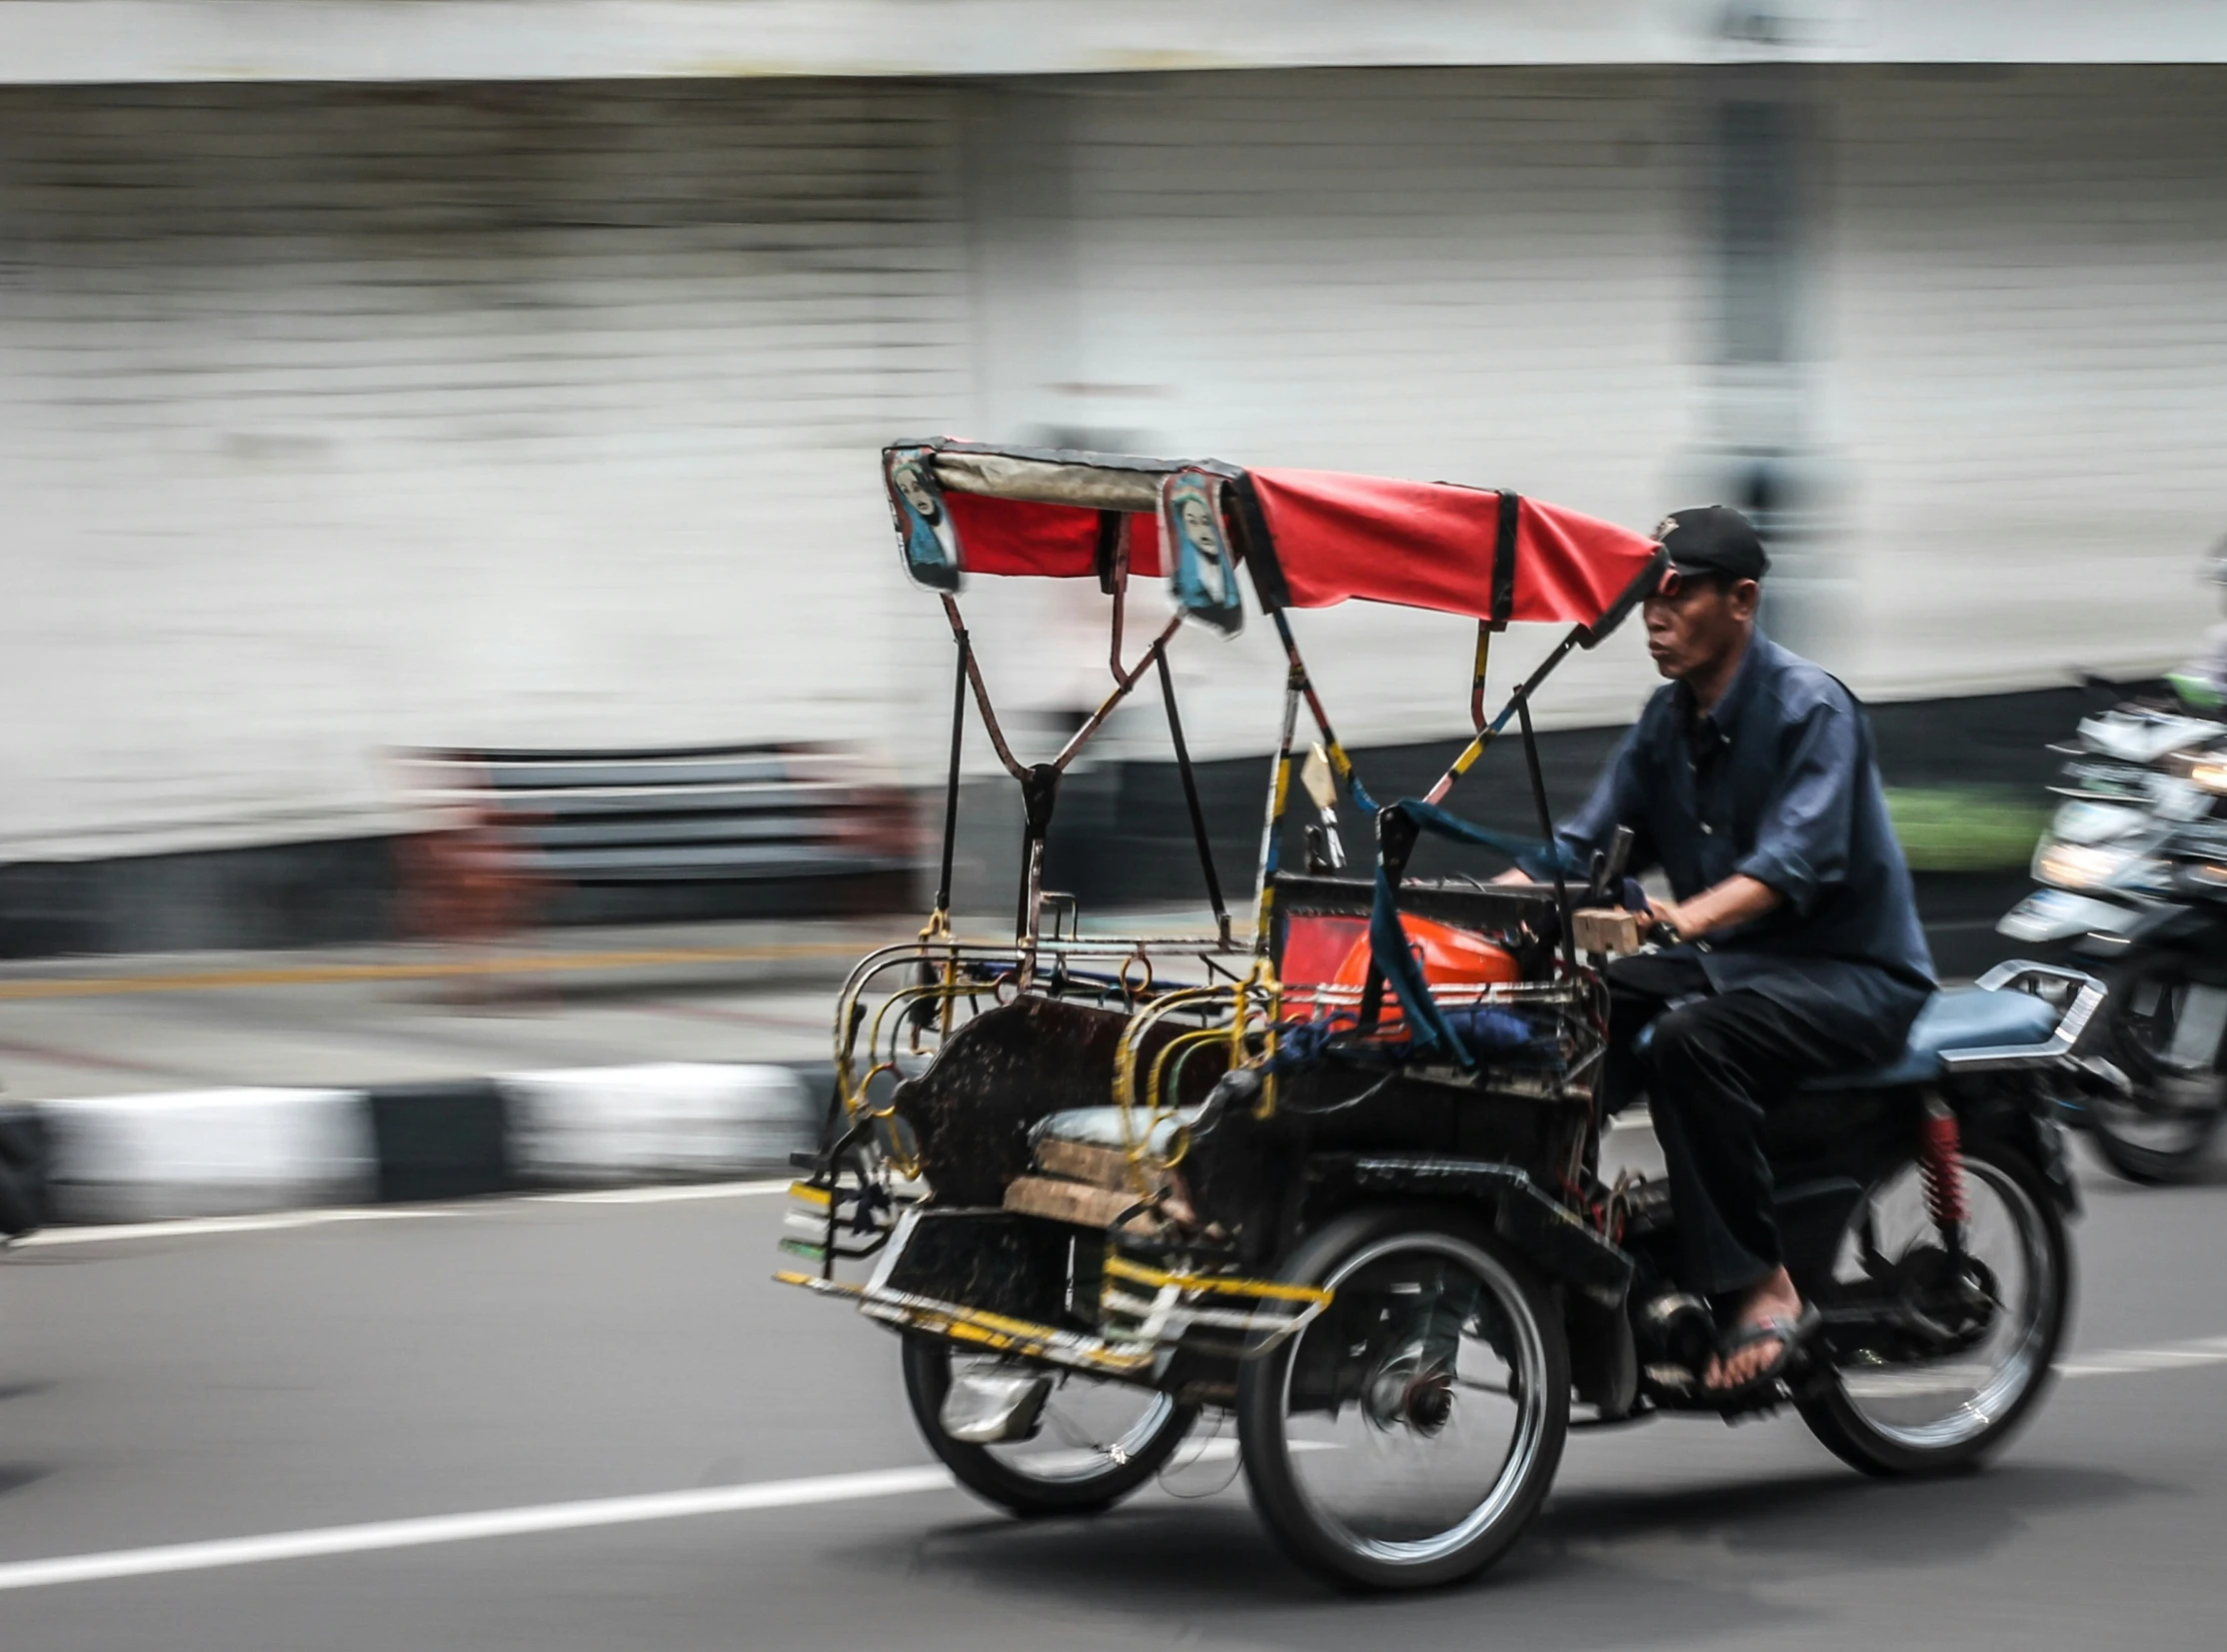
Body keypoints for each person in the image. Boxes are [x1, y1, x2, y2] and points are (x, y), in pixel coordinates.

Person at [1540, 506, 1934, 1395]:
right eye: (1647, 594)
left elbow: (1790, 866)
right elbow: (1584, 848)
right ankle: (1565, 1219)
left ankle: (1764, 1284)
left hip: (1850, 975)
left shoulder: (1812, 709)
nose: (1654, 614)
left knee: (1691, 1043)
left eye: (1676, 593)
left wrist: (1681, 919)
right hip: (1735, 967)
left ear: (1743, 599)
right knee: (1573, 1015)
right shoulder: (1664, 722)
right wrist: (1485, 906)